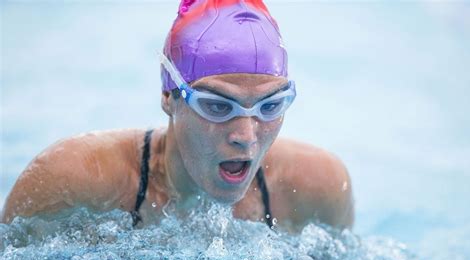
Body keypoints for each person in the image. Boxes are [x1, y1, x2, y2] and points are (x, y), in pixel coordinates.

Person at [1, 0, 354, 232]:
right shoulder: (73, 181)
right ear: (169, 96)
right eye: (217, 106)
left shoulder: (318, 187)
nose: (246, 135)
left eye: (270, 106)